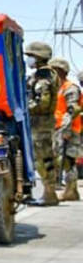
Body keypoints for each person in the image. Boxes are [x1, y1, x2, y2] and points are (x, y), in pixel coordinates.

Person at [25, 42, 62, 207]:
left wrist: (25, 108)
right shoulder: (46, 74)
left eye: (30, 56)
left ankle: (49, 194)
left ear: (38, 57)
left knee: (44, 160)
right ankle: (49, 193)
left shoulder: (44, 77)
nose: (28, 59)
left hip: (41, 124)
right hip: (42, 123)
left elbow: (43, 103)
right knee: (45, 159)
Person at [51, 58, 81, 202]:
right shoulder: (59, 88)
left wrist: (67, 130)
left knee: (68, 161)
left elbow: (72, 110)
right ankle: (70, 191)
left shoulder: (70, 88)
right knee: (61, 160)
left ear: (61, 71)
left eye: (54, 71)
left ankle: (71, 191)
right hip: (60, 129)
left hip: (70, 130)